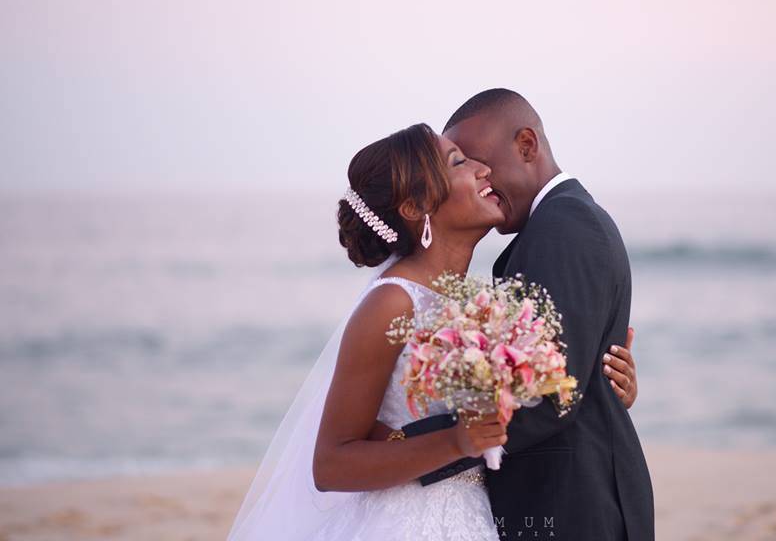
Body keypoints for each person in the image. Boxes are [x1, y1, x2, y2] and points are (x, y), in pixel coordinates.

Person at [227, 120, 639, 541]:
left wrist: (596, 379)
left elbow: (524, 400)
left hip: (475, 518)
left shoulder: (474, 304)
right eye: (459, 162)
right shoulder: (392, 303)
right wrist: (457, 442)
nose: (483, 170)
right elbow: (330, 464)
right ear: (414, 207)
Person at [416, 88, 655, 540]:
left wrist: (411, 452)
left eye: (481, 164)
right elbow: (568, 375)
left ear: (527, 145)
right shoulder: (555, 225)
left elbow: (549, 396)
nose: (479, 180)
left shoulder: (564, 227)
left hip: (575, 505)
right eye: (466, 168)